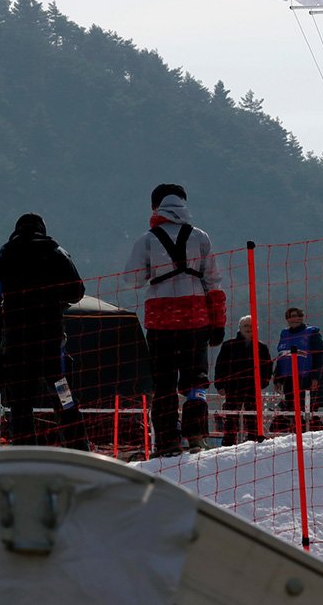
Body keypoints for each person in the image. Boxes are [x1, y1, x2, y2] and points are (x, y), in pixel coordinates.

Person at [123, 184, 225, 456]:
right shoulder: (200, 237)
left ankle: (167, 440)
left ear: (156, 207)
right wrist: (218, 321)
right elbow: (214, 280)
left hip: (161, 320)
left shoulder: (147, 239)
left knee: (164, 382)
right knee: (196, 380)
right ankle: (195, 436)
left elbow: (132, 279)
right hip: (196, 316)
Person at [0, 213, 86, 446]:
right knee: (64, 397)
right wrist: (55, 300)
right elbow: (77, 290)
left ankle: (25, 453)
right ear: (42, 229)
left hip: (17, 345)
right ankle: (78, 448)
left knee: (20, 403)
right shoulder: (57, 252)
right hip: (50, 341)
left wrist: (2, 332)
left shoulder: (3, 257)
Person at [213, 315, 272, 446]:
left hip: (253, 387)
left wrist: (263, 383)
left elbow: (268, 367)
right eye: (246, 326)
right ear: (240, 328)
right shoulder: (228, 345)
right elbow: (220, 366)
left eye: (251, 326)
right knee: (231, 416)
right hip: (232, 386)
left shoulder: (261, 347)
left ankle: (253, 441)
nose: (249, 328)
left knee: (253, 415)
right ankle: (228, 443)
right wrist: (219, 385)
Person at [272, 307, 323, 431]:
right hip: (289, 381)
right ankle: (296, 435)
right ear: (287, 319)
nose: (295, 319)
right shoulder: (284, 335)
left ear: (302, 317)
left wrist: (315, 378)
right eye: (291, 316)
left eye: (298, 316)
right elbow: (281, 358)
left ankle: (315, 435)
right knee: (292, 410)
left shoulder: (312, 333)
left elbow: (321, 357)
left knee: (308, 411)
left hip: (307, 380)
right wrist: (277, 379)